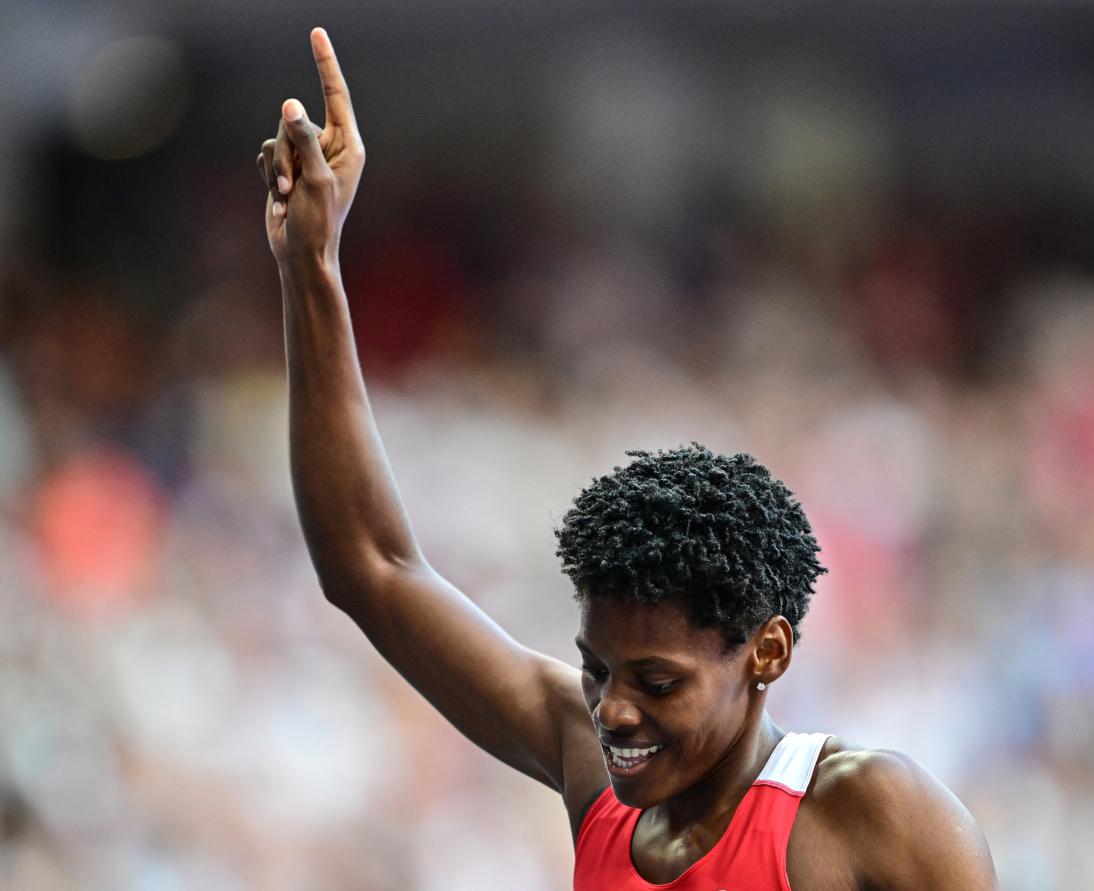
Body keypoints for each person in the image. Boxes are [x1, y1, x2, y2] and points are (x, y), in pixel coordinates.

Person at [255, 27, 997, 890]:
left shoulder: (877, 817)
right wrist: (311, 266)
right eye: (597, 667)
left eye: (655, 679)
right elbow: (371, 568)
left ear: (766, 653)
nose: (611, 709)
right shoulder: (597, 774)